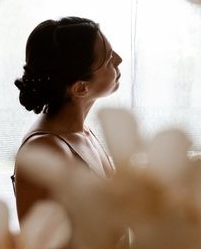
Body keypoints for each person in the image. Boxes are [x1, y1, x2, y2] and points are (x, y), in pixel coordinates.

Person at [12, 17, 122, 223]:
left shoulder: (81, 130)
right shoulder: (45, 150)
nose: (119, 59)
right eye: (108, 59)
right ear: (81, 87)